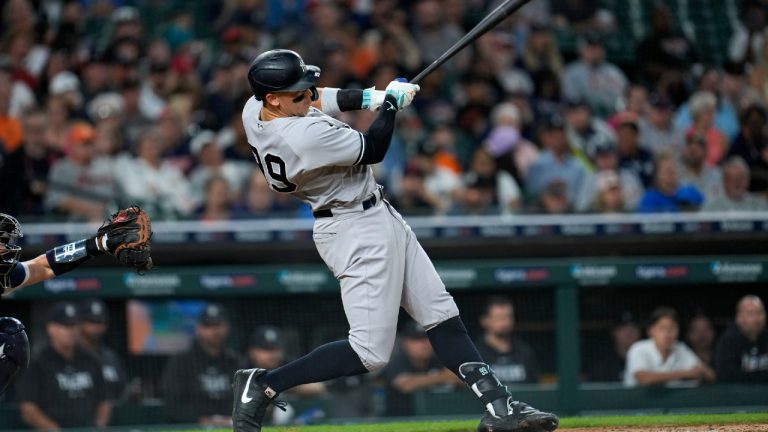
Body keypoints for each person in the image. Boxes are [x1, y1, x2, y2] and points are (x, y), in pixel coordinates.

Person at [232, 49, 558, 432]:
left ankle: (500, 406)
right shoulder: (304, 136)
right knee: (369, 353)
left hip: (375, 212)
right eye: (298, 92)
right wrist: (389, 106)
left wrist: (369, 96)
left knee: (440, 313)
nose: (309, 95)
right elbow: (374, 149)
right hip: (352, 227)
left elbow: (319, 97)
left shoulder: (256, 109)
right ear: (274, 97)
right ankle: (265, 384)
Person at [17, 302, 111, 429]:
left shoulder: (91, 359)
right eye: (66, 325)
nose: (72, 331)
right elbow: (28, 409)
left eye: (75, 325)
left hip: (87, 429)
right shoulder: (37, 362)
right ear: (51, 328)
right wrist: (54, 429)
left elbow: (104, 400)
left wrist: (98, 427)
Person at [161, 302, 245, 427]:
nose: (214, 330)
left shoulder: (235, 361)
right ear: (198, 328)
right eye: (208, 325)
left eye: (218, 325)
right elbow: (172, 405)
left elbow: (247, 400)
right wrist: (202, 420)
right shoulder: (180, 361)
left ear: (227, 328)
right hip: (193, 427)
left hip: (230, 426)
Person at [382, 320, 460, 417]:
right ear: (405, 342)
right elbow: (405, 385)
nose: (424, 344)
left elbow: (462, 377)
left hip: (437, 417)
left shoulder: (439, 359)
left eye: (427, 338)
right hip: (399, 420)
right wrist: (442, 376)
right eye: (417, 339)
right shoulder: (397, 360)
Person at [624, 306, 715, 387]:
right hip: (636, 404)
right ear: (650, 331)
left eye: (672, 328)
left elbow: (710, 375)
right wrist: (685, 374)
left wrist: (702, 371)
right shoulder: (639, 348)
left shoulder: (680, 348)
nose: (667, 333)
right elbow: (643, 378)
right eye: (662, 328)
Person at [475, 297, 539, 385]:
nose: (505, 322)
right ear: (485, 321)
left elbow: (535, 387)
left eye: (508, 317)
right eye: (499, 318)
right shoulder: (475, 354)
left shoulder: (525, 352)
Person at [78, 298, 129, 403]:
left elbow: (121, 391)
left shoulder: (111, 357)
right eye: (91, 321)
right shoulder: (70, 355)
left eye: (100, 322)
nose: (96, 326)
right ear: (80, 323)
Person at [714, 295, 768, 382]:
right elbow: (726, 375)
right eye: (751, 313)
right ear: (739, 318)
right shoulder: (728, 341)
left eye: (760, 313)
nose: (757, 319)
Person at [586, 312, 641, 382]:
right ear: (614, 332)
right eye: (622, 328)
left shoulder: (646, 359)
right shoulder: (603, 361)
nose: (629, 332)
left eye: (633, 327)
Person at [703, 157, 768, 212]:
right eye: (733, 178)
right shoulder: (711, 207)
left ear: (748, 181)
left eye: (741, 178)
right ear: (724, 182)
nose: (737, 182)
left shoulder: (759, 204)